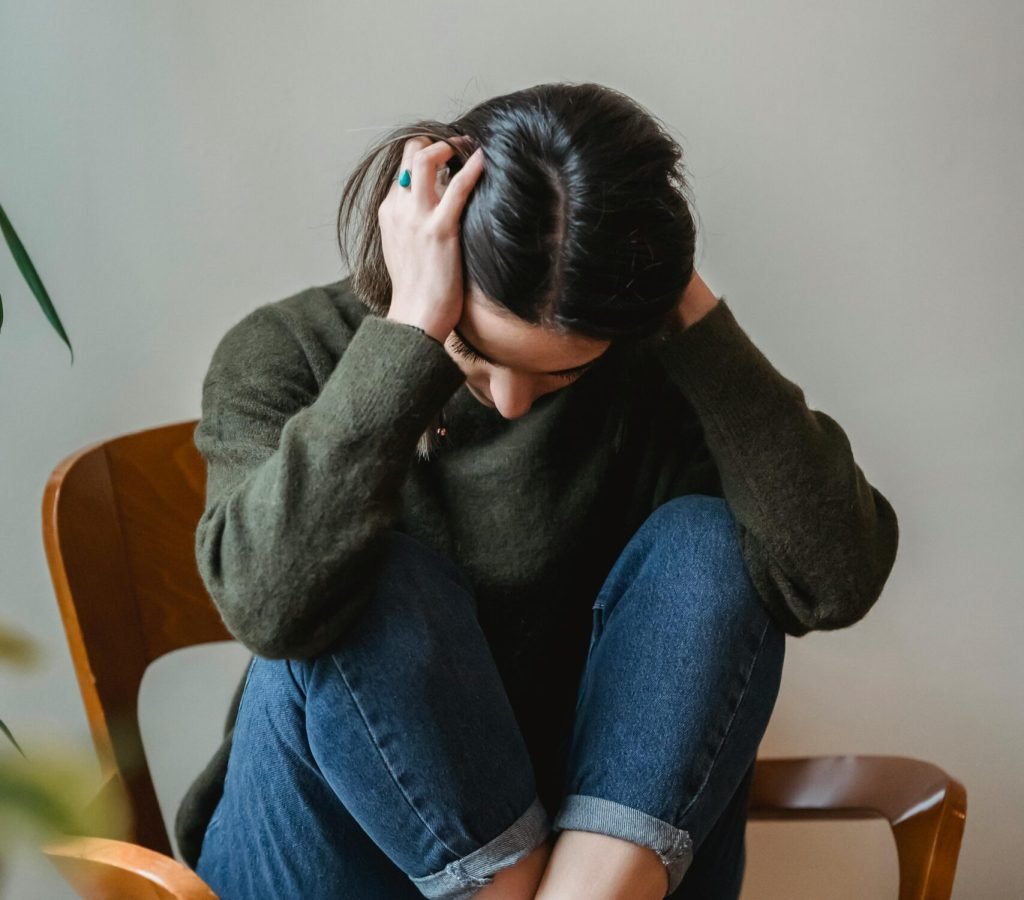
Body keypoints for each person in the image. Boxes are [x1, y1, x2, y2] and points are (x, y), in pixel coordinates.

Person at [177, 82, 899, 899]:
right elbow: (270, 603)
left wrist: (690, 314)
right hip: (328, 854)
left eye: (559, 372)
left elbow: (833, 580)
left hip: (593, 869)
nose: (513, 401)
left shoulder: (646, 372)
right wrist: (409, 337)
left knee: (710, 546)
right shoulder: (288, 353)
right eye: (475, 351)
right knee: (361, 581)